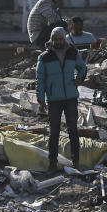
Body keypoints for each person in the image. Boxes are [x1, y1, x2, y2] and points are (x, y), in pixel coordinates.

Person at [36, 26, 88, 172]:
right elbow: (40, 79)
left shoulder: (72, 52)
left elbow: (83, 68)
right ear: (52, 40)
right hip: (53, 100)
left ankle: (75, 162)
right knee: (54, 132)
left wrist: (79, 79)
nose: (58, 41)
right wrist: (41, 100)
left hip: (71, 97)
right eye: (55, 39)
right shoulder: (44, 57)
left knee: (73, 130)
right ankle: (52, 163)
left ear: (64, 38)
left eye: (60, 39)